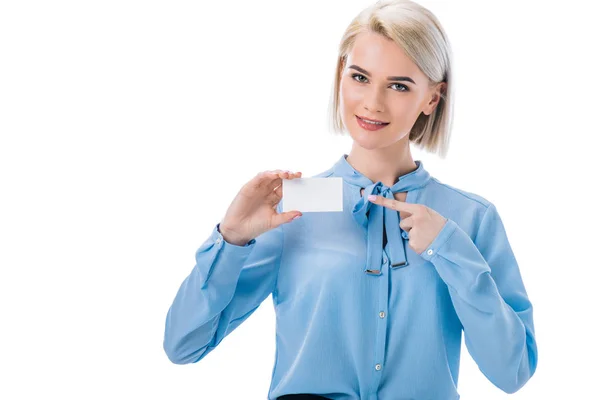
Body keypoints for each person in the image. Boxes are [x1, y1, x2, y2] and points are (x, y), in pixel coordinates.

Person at [163, 0, 538, 398]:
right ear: (342, 75)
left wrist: (450, 250)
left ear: (432, 97)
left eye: (398, 85)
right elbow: (184, 345)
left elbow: (511, 371)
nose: (373, 102)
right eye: (360, 77)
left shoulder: (470, 218)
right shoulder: (297, 205)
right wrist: (231, 239)